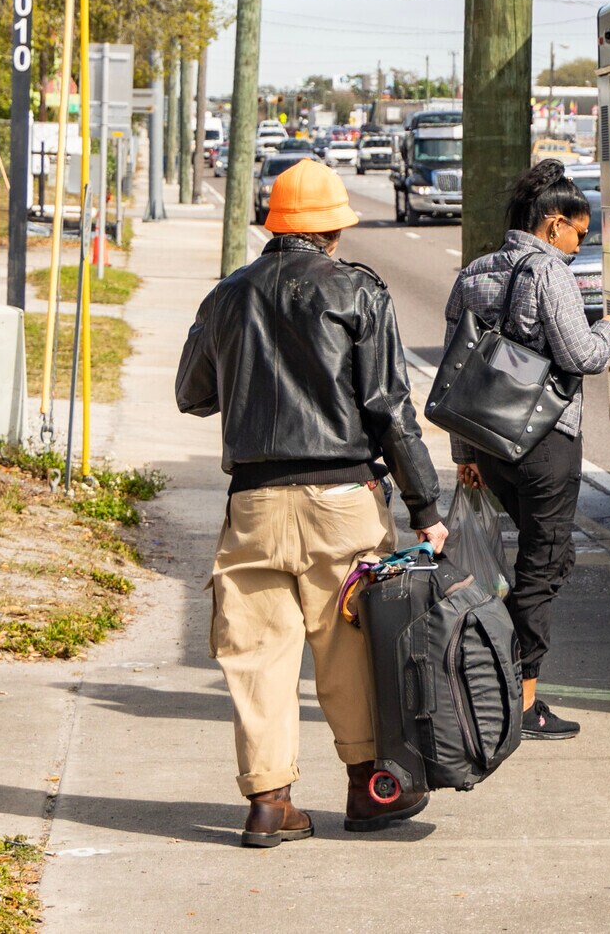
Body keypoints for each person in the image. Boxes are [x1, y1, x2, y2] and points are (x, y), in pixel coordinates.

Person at [175, 159, 447, 848]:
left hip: (255, 503)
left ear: (275, 226)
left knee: (256, 654)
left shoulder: (227, 295)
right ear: (330, 229)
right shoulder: (357, 291)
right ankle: (369, 786)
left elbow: (192, 393)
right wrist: (426, 507)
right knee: (349, 644)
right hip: (341, 496)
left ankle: (270, 804)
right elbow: (390, 409)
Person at [445, 159, 610, 742]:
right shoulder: (551, 274)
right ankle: (519, 703)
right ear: (551, 225)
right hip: (546, 445)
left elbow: (457, 375)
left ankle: (498, 670)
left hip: (491, 449)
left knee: (544, 561)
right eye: (578, 232)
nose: (579, 244)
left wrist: (464, 453)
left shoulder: (472, 274)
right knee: (541, 570)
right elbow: (581, 355)